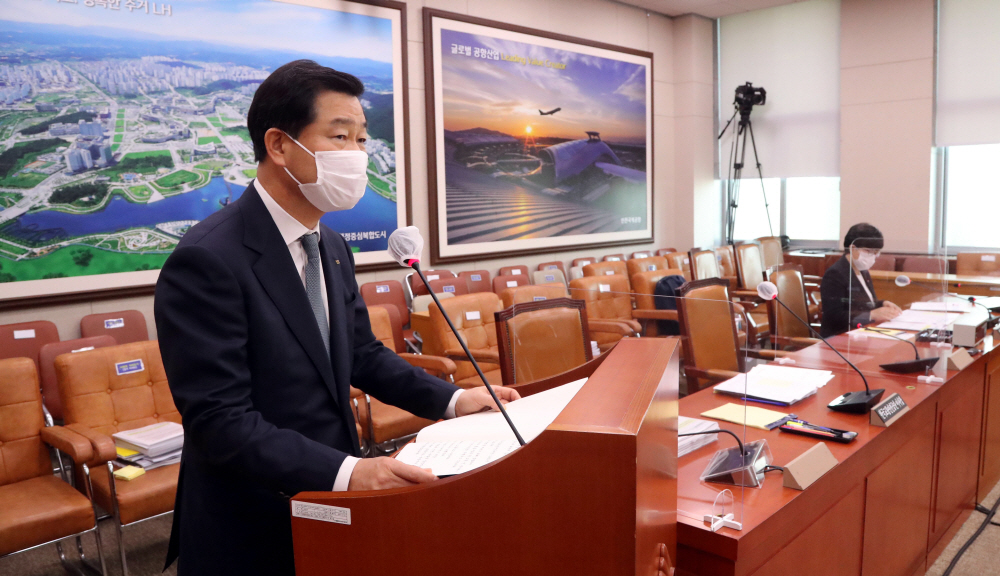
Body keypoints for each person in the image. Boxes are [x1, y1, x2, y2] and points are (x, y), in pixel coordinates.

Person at [154, 60, 519, 576]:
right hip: (251, 517)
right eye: (340, 136)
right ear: (279, 145)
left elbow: (361, 353)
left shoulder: (330, 245)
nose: (357, 155)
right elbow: (219, 420)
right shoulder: (208, 259)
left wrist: (453, 400)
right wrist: (351, 472)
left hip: (331, 501)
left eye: (362, 139)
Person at [819, 223, 902, 337]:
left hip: (861, 333)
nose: (873, 256)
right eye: (868, 251)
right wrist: (871, 315)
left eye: (876, 252)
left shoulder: (863, 271)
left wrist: (882, 304)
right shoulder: (835, 274)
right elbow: (834, 316)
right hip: (840, 337)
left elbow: (862, 304)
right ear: (853, 248)